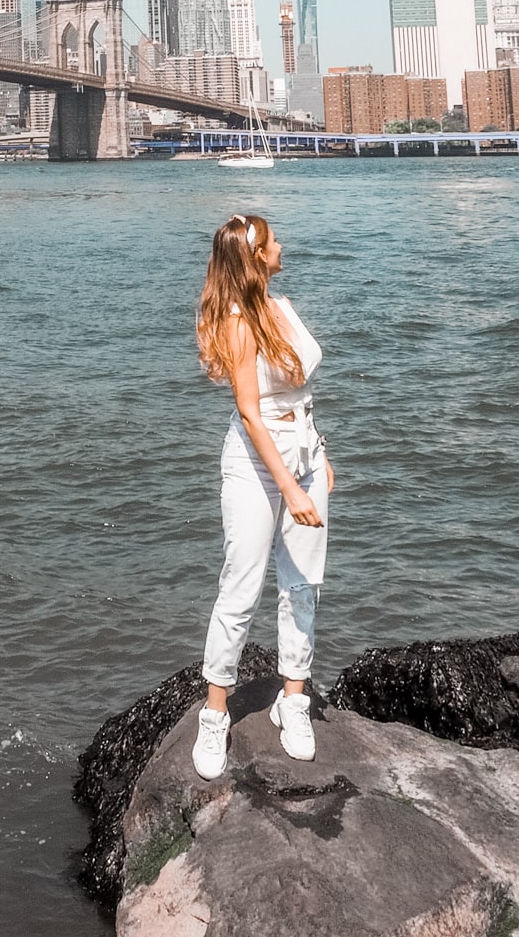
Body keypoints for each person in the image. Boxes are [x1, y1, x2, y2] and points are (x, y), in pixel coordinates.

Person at [191, 213, 333, 778]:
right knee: (241, 588)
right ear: (255, 257)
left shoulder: (281, 307)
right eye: (274, 241)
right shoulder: (237, 321)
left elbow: (300, 394)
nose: (283, 246)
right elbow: (252, 413)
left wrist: (319, 458)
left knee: (303, 585)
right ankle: (215, 713)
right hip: (257, 464)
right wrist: (288, 485)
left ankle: (292, 699)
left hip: (303, 453)